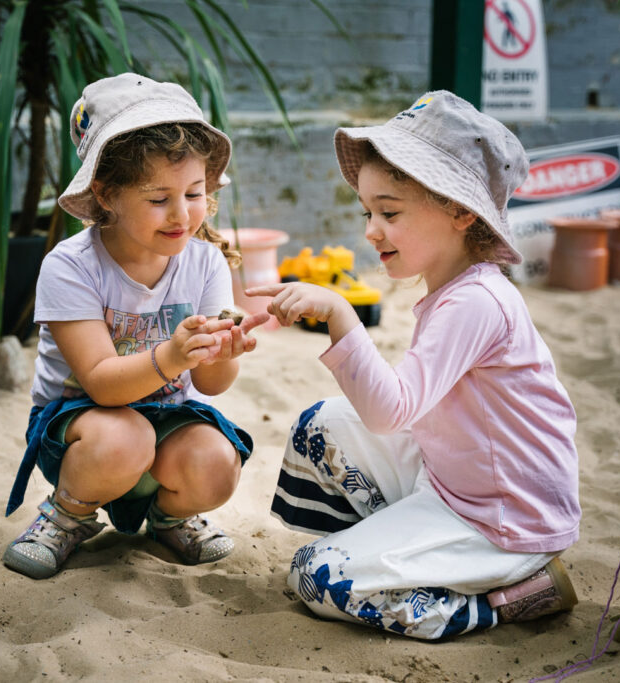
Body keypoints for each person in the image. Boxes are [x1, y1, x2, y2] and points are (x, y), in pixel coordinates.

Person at [246, 91, 581, 639]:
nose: (371, 230)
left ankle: (505, 598)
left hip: (503, 519)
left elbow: (390, 411)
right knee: (320, 427)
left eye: (390, 212)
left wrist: (338, 313)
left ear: (460, 211)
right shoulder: (450, 289)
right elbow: (400, 410)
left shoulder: (476, 302)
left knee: (315, 576)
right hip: (453, 478)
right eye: (368, 211)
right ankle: (391, 557)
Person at [3, 73, 268, 580]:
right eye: (157, 198)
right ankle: (67, 516)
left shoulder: (206, 262)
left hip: (166, 417)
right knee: (124, 439)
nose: (181, 215)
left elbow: (210, 386)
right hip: (83, 428)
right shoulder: (71, 265)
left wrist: (223, 352)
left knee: (217, 462)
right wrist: (172, 355)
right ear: (106, 194)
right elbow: (100, 383)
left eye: (194, 193)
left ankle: (169, 518)